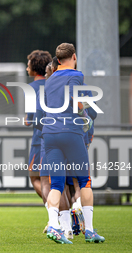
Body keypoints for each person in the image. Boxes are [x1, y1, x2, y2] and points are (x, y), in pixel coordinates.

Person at [42, 43, 104, 244]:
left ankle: (53, 225)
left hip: (49, 134)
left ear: (57, 60)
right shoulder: (76, 75)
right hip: (70, 132)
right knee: (84, 181)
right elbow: (77, 102)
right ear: (74, 57)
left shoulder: (49, 80)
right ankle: (90, 231)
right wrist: (85, 114)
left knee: (57, 184)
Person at [24, 50, 52, 199]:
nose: (27, 69)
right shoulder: (54, 85)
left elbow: (30, 119)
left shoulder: (31, 88)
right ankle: (65, 213)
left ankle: (54, 210)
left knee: (35, 177)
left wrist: (26, 119)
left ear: (34, 68)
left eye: (28, 66)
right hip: (61, 134)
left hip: (39, 138)